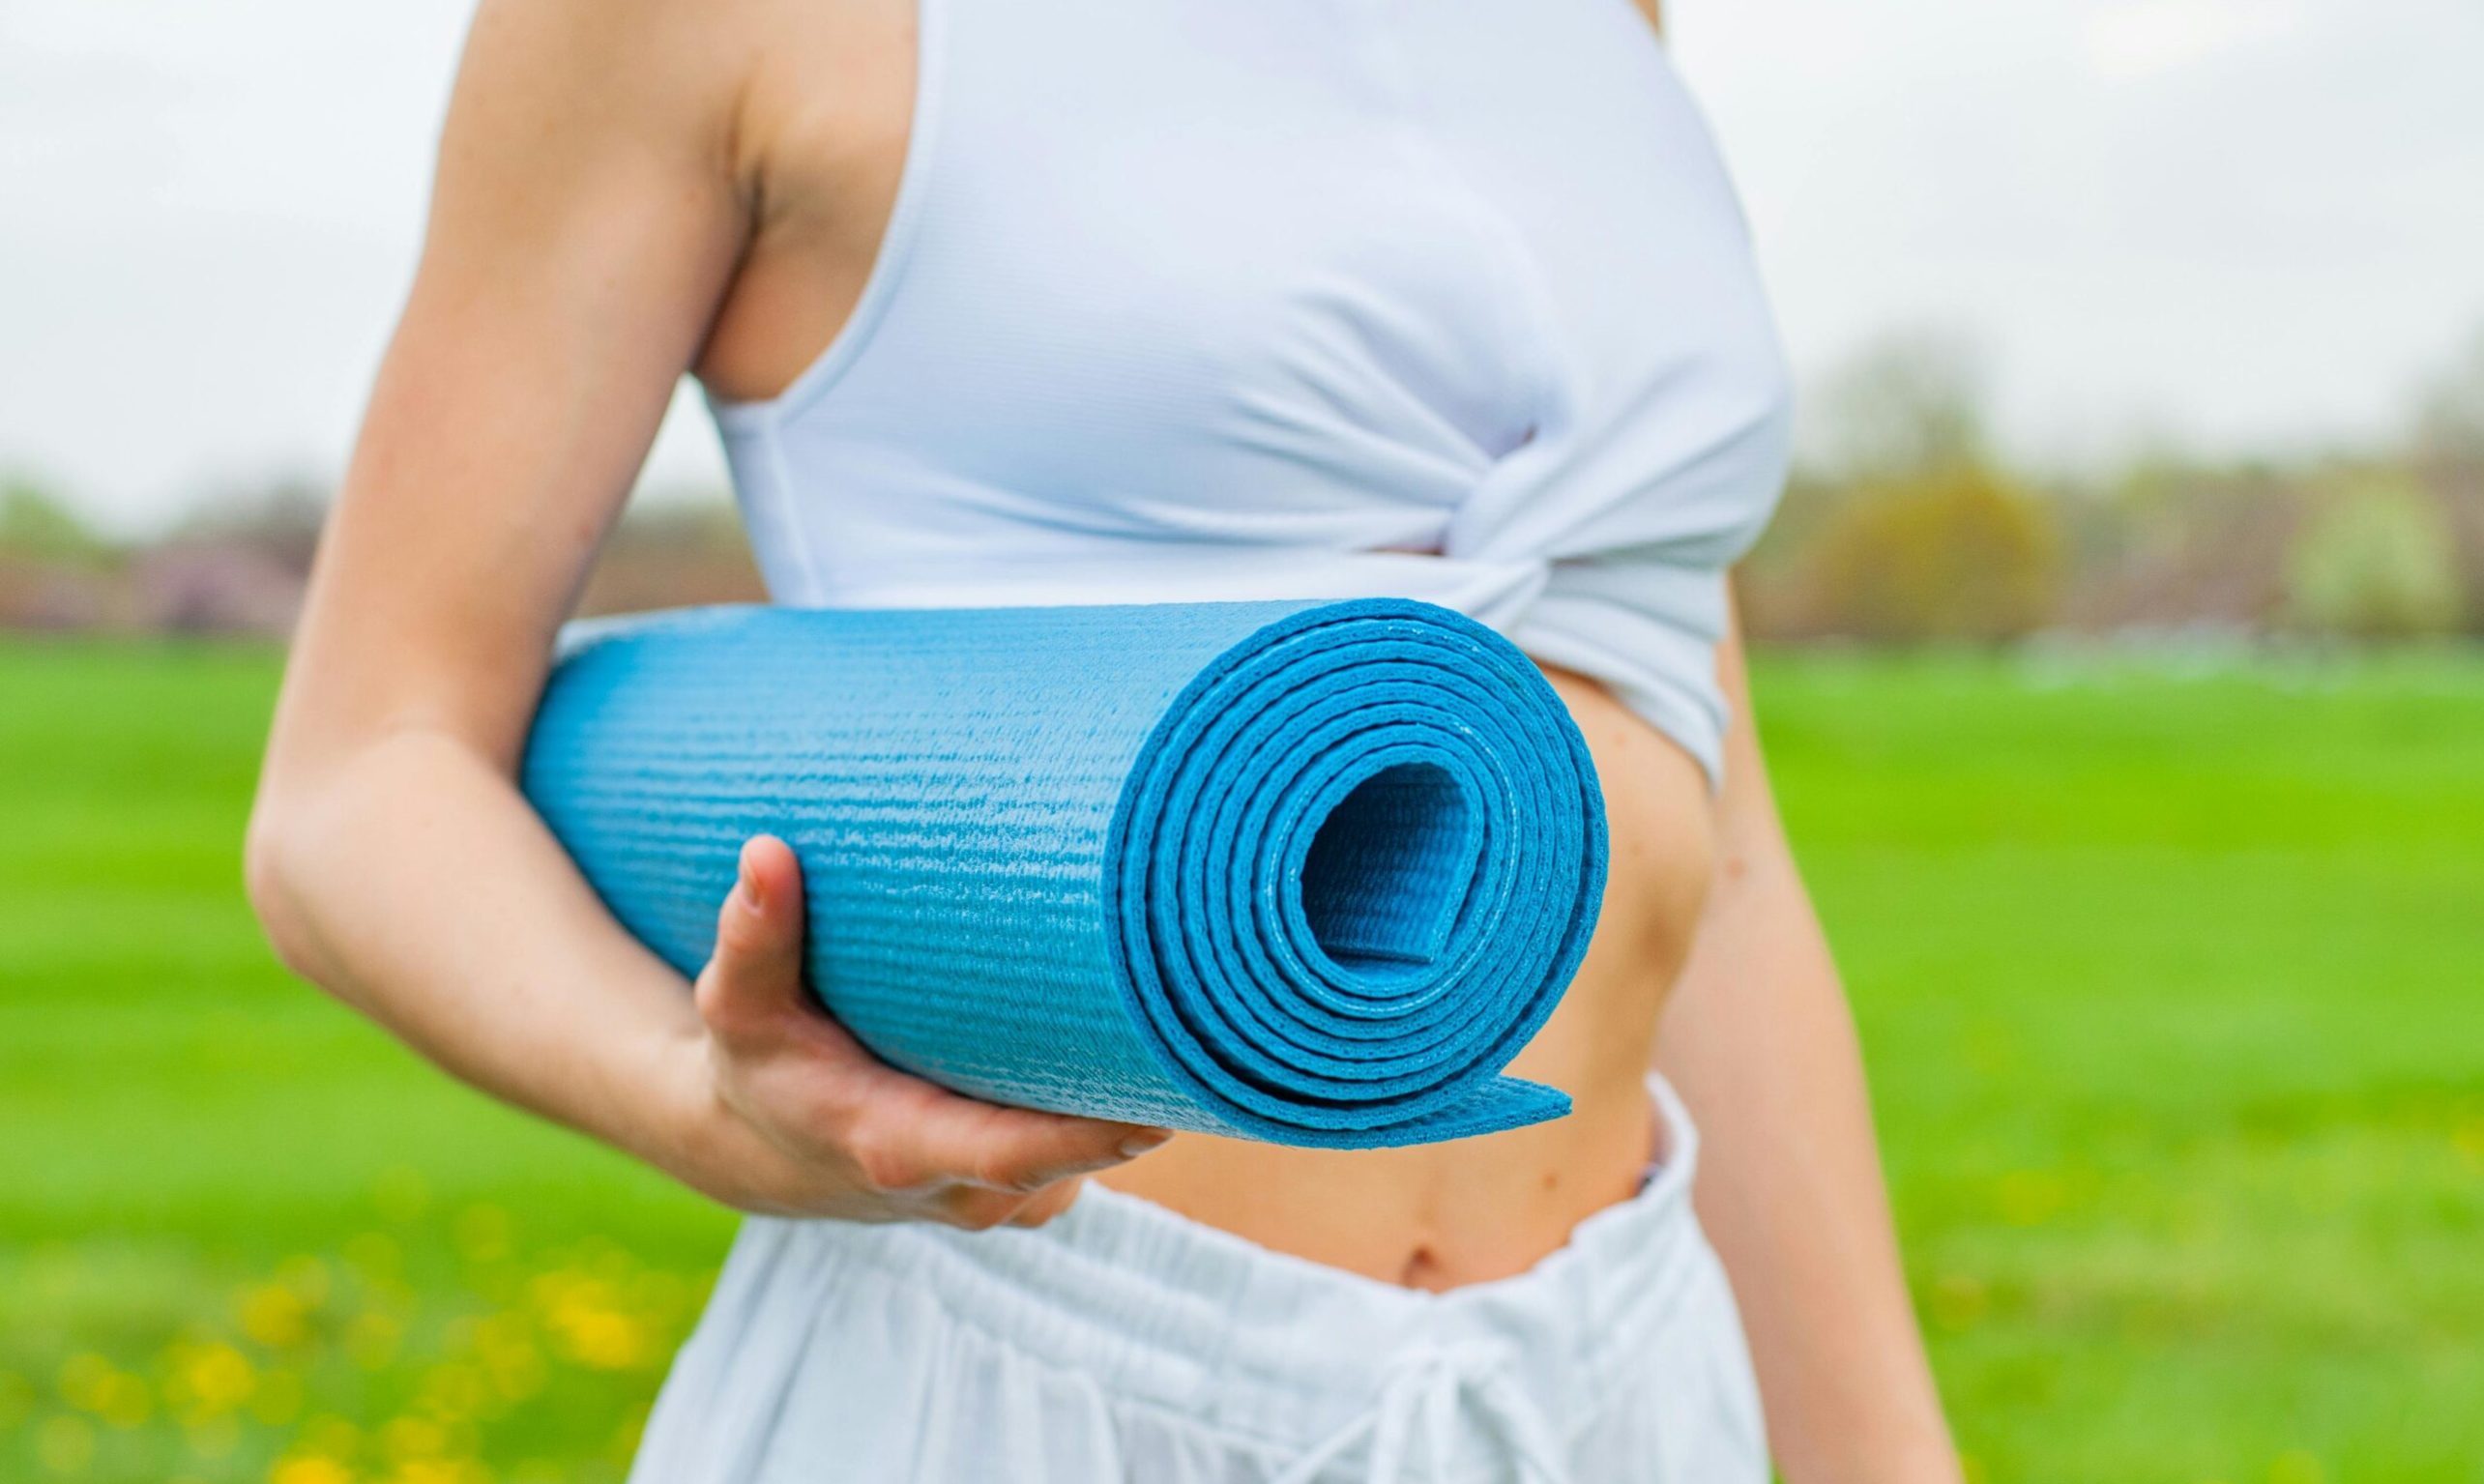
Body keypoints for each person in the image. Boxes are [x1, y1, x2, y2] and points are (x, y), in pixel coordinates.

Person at [246, 0, 1962, 1476]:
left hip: (1628, 1377)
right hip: (1029, 1353)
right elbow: (364, 773)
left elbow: (1709, 850)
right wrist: (698, 1099)